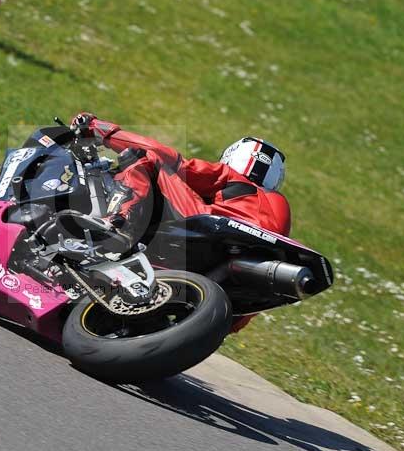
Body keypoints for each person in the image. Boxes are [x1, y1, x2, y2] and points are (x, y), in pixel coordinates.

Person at [70, 112, 291, 333]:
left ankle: (116, 223)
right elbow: (236, 322)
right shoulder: (276, 217)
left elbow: (168, 157)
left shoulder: (231, 177)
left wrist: (101, 130)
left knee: (146, 157)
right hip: (217, 293)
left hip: (203, 231)